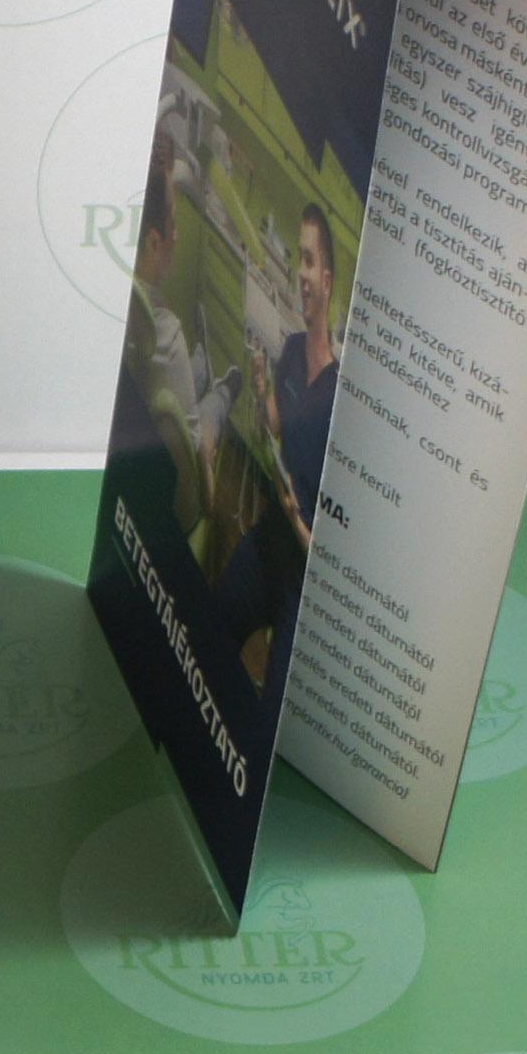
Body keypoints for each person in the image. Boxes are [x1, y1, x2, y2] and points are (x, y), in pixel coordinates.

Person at [217, 202, 338, 698]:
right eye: (297, 261)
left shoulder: (341, 395)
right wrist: (263, 387)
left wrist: (297, 520)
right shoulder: (290, 351)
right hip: (267, 542)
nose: (300, 274)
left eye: (308, 261)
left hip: (300, 581)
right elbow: (276, 426)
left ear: (327, 281)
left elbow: (330, 545)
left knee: (274, 718)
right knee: (209, 632)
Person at [126, 130, 241, 528]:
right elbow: (199, 472)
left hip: (146, 396)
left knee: (194, 369)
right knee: (211, 409)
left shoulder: (136, 316)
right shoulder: (167, 332)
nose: (178, 234)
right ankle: (228, 386)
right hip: (184, 493)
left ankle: (203, 362)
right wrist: (208, 458)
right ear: (153, 242)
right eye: (173, 223)